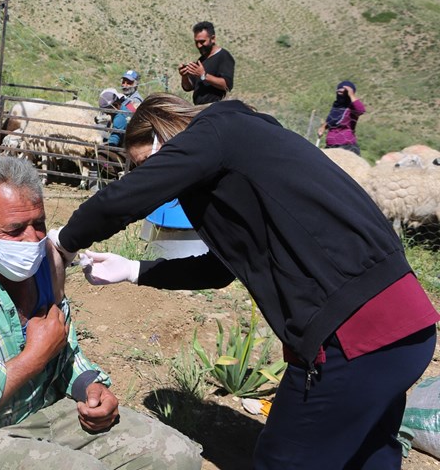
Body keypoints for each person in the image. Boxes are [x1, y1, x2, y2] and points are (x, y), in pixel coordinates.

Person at [50, 93, 439, 469]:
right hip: (404, 330)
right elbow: (219, 269)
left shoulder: (219, 131)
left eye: (144, 162)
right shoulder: (240, 160)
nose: (148, 174)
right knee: (368, 452)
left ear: (161, 137)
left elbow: (125, 198)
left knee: (285, 460)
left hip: (355, 337)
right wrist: (133, 270)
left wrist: (65, 242)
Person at [0, 156, 202, 469]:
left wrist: (90, 386)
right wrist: (32, 359)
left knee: (176, 456)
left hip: (48, 415)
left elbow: (65, 349)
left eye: (39, 224)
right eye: (16, 229)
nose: (32, 239)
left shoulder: (42, 261)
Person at [178, 21, 234, 104]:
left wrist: (203, 75)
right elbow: (188, 87)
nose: (199, 46)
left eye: (202, 41)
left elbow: (226, 85)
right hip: (199, 109)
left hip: (214, 109)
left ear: (213, 39)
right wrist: (184, 76)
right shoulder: (201, 60)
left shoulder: (223, 56)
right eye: (196, 42)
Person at [317, 80, 365, 156]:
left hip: (346, 146)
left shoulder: (351, 108)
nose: (341, 95)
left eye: (344, 93)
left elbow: (361, 110)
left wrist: (351, 94)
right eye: (339, 92)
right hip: (330, 146)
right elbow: (331, 120)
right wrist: (323, 127)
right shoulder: (336, 106)